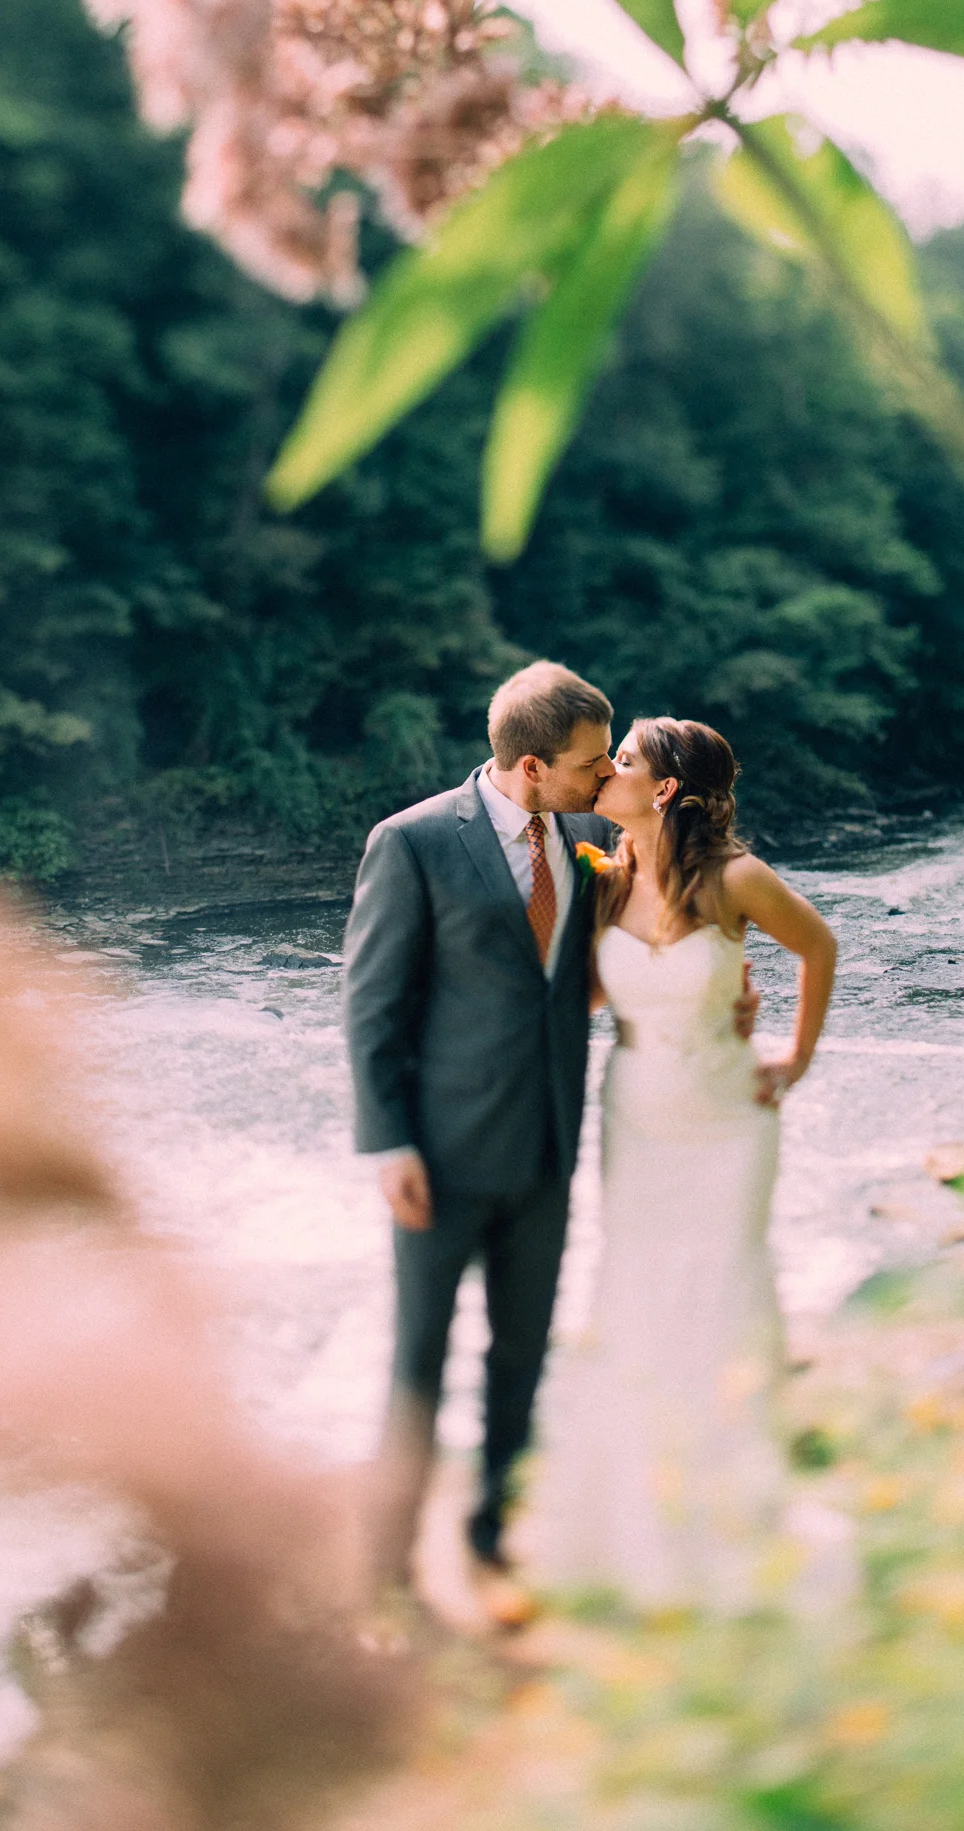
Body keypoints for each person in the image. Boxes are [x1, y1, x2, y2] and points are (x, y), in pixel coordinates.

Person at [343, 665, 757, 1630]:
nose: (606, 773)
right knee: (418, 1360)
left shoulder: (591, 841)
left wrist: (718, 987)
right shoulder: (408, 845)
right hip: (436, 1159)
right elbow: (371, 1008)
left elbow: (623, 954)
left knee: (522, 1353)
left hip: (550, 1147)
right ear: (532, 768)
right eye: (589, 763)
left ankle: (490, 1540)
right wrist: (387, 1143)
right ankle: (384, 1572)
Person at [529, 717, 837, 1614]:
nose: (606, 773)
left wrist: (795, 1055)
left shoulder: (737, 878)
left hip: (729, 1118)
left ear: (664, 789)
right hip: (638, 1115)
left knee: (725, 1281)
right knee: (636, 1283)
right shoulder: (606, 876)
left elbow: (817, 947)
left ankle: (736, 1491)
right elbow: (581, 995)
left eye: (621, 762)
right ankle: (634, 1502)